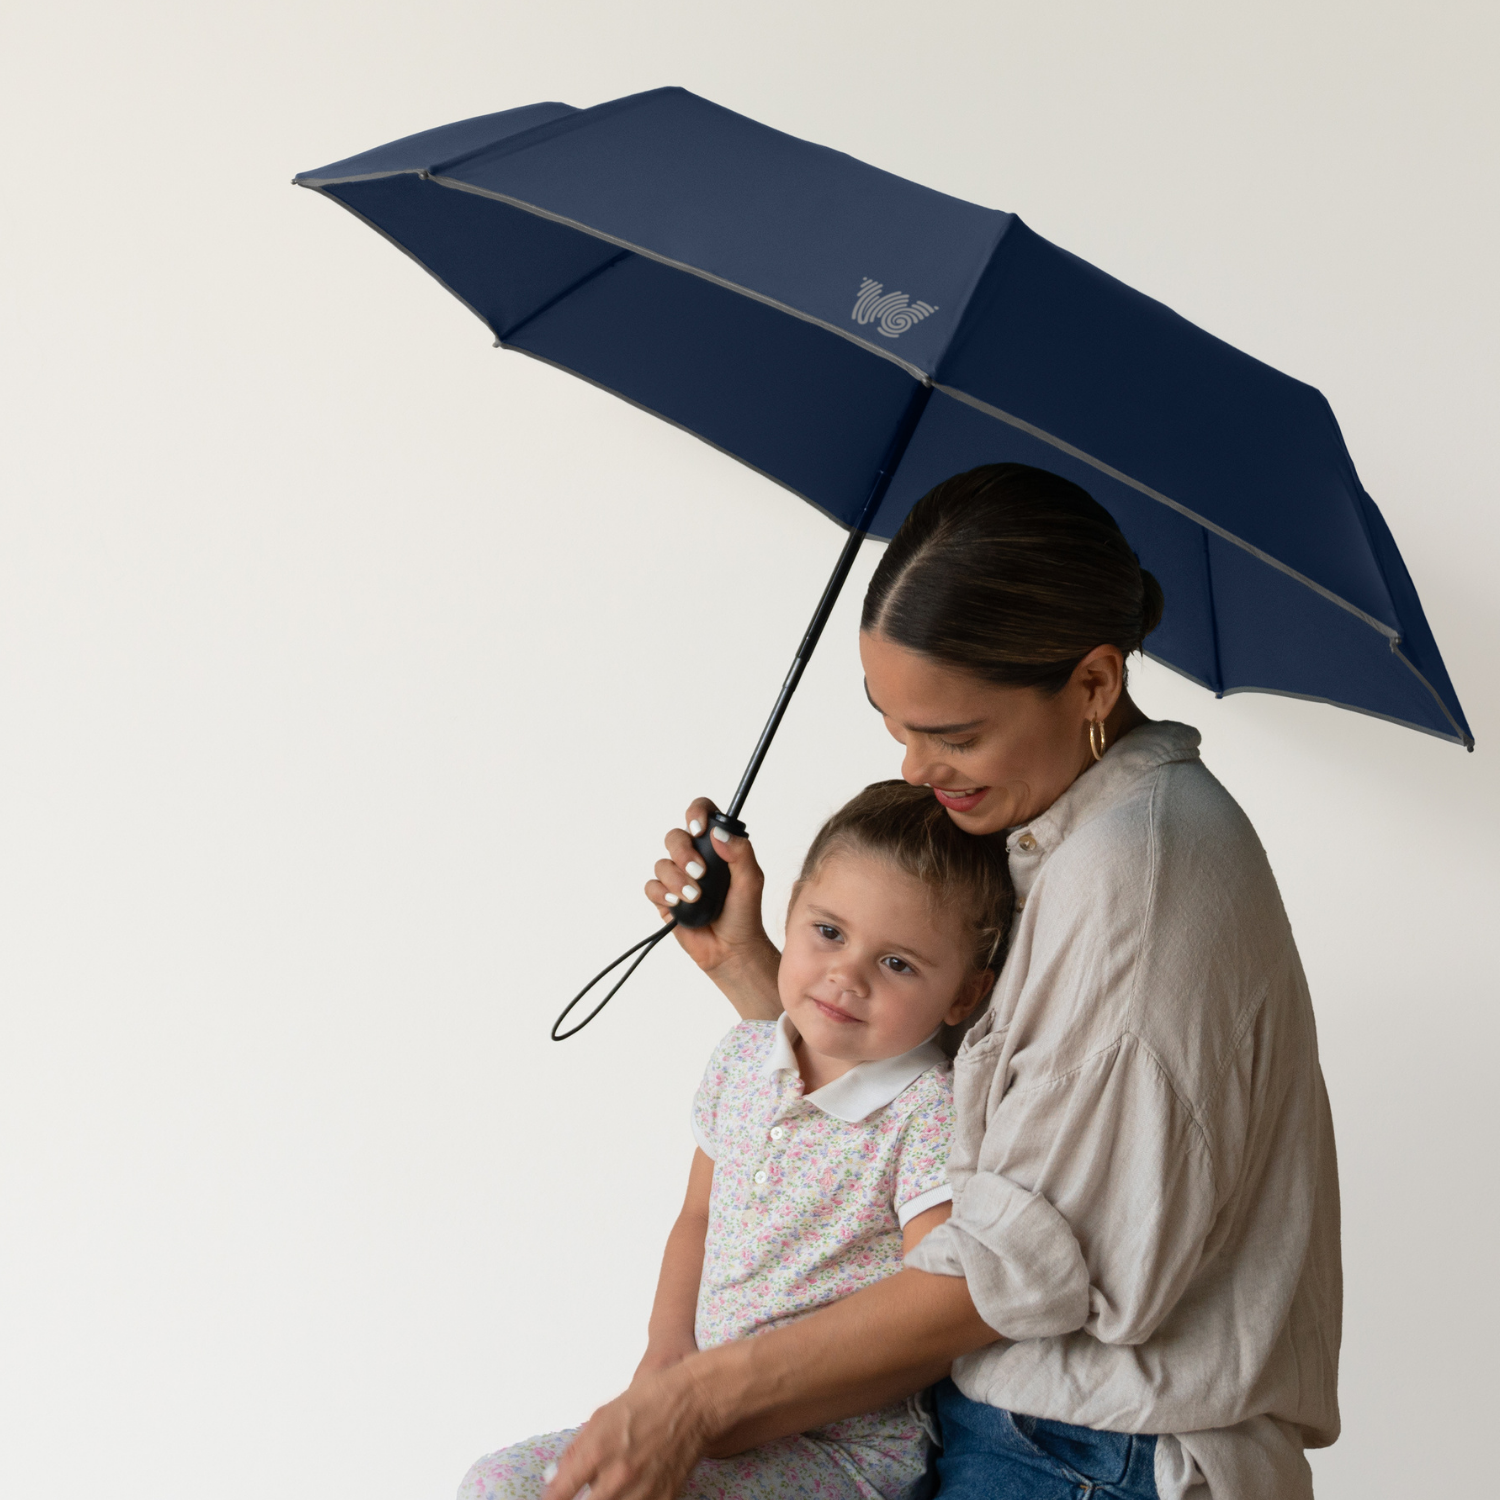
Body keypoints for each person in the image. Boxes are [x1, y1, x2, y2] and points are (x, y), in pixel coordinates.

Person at [542, 463, 1341, 1500]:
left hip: (1087, 1460)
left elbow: (1011, 1269)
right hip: (1031, 1442)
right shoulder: (1077, 834)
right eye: (895, 727)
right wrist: (755, 973)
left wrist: (690, 1400)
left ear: (1094, 684)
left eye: (954, 735)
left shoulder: (1136, 878)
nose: (917, 770)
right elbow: (965, 1124)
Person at [459, 781, 1014, 1500]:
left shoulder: (928, 1112)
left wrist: (716, 1408)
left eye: (897, 963)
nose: (846, 976)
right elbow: (697, 1218)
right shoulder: (743, 1059)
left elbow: (928, 1312)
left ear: (965, 996)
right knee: (498, 1483)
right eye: (829, 932)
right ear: (789, 912)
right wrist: (666, 1357)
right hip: (707, 1414)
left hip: (840, 1451)